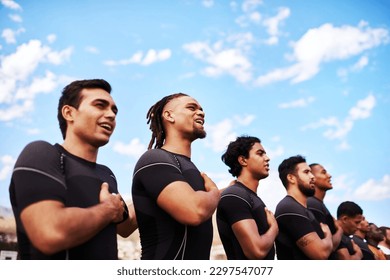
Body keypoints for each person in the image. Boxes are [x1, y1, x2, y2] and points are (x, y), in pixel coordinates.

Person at [9, 79, 137, 259]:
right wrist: (108, 210)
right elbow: (50, 233)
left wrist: (151, 191)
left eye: (114, 110)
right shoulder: (42, 154)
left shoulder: (106, 173)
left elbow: (124, 227)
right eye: (100, 105)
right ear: (69, 113)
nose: (111, 115)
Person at [131, 93, 220, 259]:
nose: (201, 113)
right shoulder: (154, 159)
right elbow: (194, 211)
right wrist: (215, 193)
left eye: (202, 110)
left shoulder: (186, 168)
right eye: (191, 108)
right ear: (169, 115)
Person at [217, 136, 278, 259]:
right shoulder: (235, 196)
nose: (267, 158)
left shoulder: (248, 196)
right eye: (260, 154)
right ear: (243, 160)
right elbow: (256, 251)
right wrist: (274, 228)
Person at [275, 155, 333, 259]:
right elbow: (321, 254)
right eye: (306, 172)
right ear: (291, 178)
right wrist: (328, 235)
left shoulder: (305, 210)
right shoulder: (289, 208)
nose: (312, 177)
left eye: (311, 172)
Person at [307, 163, 343, 259]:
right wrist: (340, 230)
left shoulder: (319, 204)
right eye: (323, 172)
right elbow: (327, 247)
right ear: (311, 177)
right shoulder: (313, 204)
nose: (329, 175)